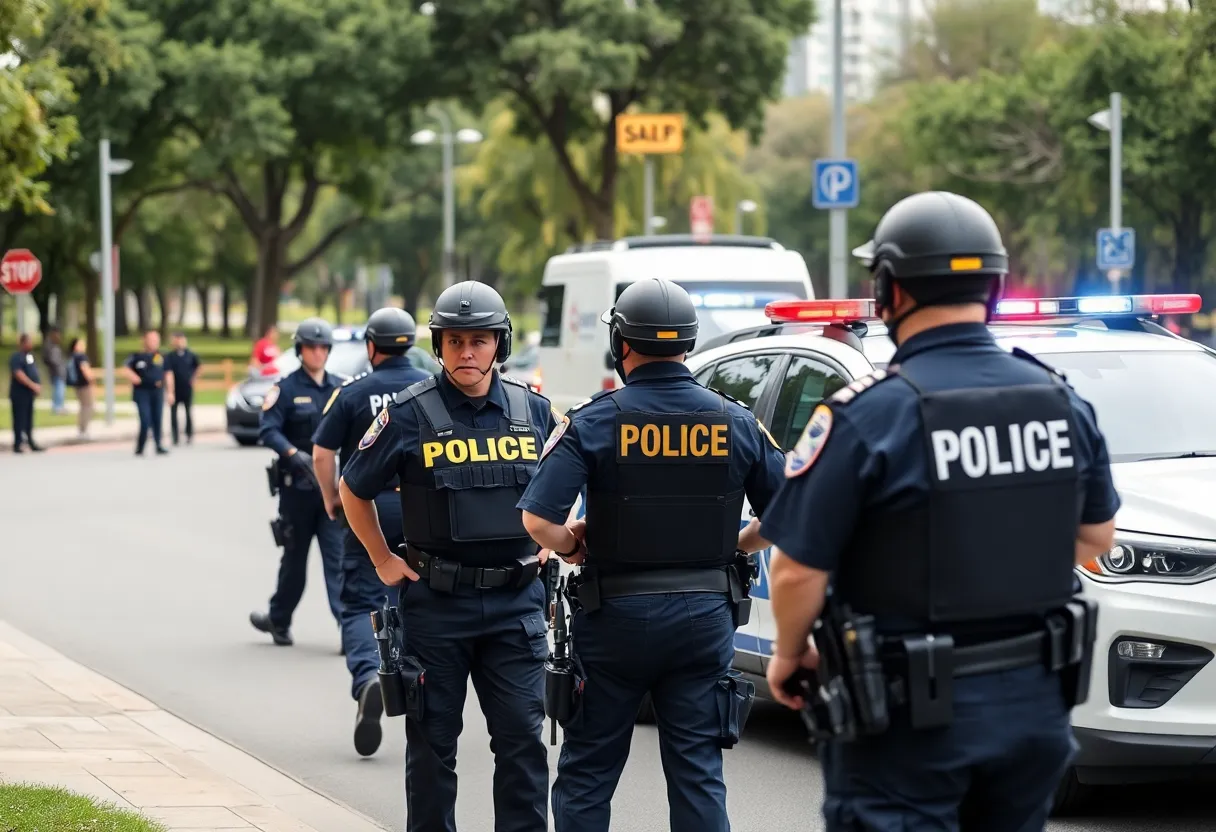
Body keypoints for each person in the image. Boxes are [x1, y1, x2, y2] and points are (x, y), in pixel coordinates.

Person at [759, 191, 1120, 832]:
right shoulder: (1060, 402)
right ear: (996, 286)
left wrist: (788, 654)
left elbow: (794, 571)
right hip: (1034, 709)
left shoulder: (868, 415)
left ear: (891, 291)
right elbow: (1095, 536)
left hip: (909, 723)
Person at [517, 278, 787, 832]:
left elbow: (537, 520)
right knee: (698, 774)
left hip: (613, 621)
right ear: (687, 343)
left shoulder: (594, 420)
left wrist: (574, 543)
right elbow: (791, 513)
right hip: (705, 620)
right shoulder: (735, 420)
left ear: (621, 344)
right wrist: (735, 543)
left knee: (589, 774)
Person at [339, 281, 558, 832]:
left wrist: (555, 545)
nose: (466, 352)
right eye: (455, 340)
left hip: (517, 606)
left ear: (499, 346)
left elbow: (564, 489)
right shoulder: (408, 414)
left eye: (479, 340)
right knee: (433, 750)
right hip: (437, 607)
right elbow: (353, 488)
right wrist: (384, 560)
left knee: (523, 750)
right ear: (438, 345)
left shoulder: (535, 411)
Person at [311, 307, 430, 757]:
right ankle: (408, 680)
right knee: (410, 596)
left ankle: (367, 680)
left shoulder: (352, 392)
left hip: (368, 507)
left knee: (361, 600)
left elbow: (323, 453)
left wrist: (331, 499)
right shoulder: (428, 392)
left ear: (371, 347)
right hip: (421, 512)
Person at [250, 317, 345, 647]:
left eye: (322, 347)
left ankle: (349, 630)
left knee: (338, 563)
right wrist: (293, 453)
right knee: (294, 563)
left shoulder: (340, 387)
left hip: (331, 490)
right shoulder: (286, 388)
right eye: (310, 347)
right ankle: (278, 620)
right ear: (300, 350)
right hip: (297, 491)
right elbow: (268, 429)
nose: (317, 353)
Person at [124, 329, 168, 456]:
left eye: (156, 340)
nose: (154, 342)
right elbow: (126, 369)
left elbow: (168, 373)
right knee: (145, 419)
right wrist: (133, 377)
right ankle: (141, 445)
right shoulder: (136, 356)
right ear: (144, 341)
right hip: (142, 391)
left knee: (157, 418)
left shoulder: (161, 356)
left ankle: (158, 444)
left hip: (157, 391)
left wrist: (171, 392)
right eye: (152, 340)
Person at [8, 333, 43, 453]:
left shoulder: (29, 357)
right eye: (29, 342)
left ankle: (30, 441)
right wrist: (32, 385)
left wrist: (37, 385)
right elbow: (18, 374)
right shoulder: (16, 357)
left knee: (29, 419)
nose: (31, 344)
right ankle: (18, 443)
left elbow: (33, 370)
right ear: (23, 343)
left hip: (29, 393)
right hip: (19, 393)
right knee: (19, 419)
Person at [164, 332, 201, 445]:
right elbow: (168, 373)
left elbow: (198, 366)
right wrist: (170, 391)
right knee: (173, 413)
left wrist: (194, 378)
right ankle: (175, 436)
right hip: (175, 388)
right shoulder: (170, 356)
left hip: (187, 387)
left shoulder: (190, 355)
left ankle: (189, 433)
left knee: (188, 411)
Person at [65, 337, 95, 438]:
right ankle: (84, 430)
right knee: (88, 407)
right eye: (81, 344)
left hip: (77, 386)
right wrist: (92, 380)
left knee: (83, 407)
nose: (83, 346)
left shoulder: (72, 357)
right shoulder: (81, 357)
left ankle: (81, 429)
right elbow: (85, 370)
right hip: (84, 385)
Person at [41, 325, 66, 415]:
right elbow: (48, 359)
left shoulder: (56, 345)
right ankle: (57, 408)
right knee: (58, 390)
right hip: (55, 371)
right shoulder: (49, 345)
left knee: (60, 389)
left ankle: (59, 406)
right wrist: (56, 365)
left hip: (60, 371)